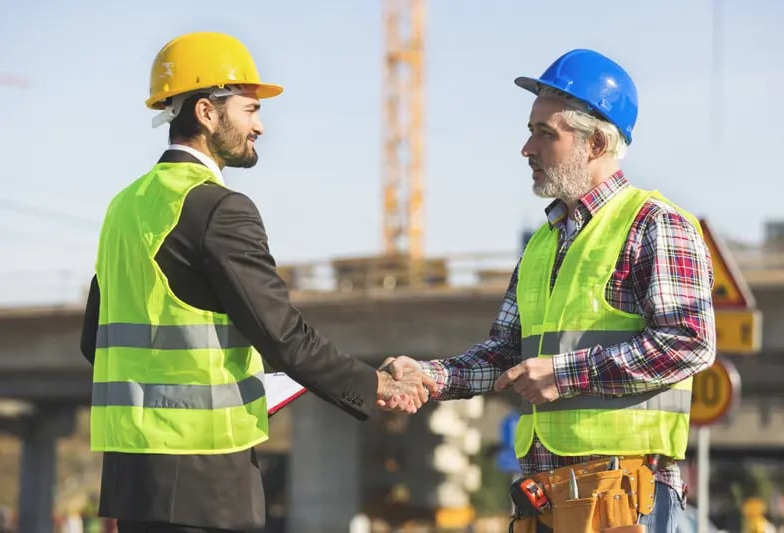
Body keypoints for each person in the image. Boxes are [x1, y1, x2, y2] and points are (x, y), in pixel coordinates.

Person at [80, 31, 433, 533]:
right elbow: (282, 334)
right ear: (206, 112)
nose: (260, 126)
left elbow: (96, 341)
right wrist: (374, 383)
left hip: (133, 475)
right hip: (208, 475)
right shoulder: (220, 209)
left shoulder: (125, 207)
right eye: (249, 110)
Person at [380, 49, 716, 532]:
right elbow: (505, 355)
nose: (527, 149)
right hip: (547, 500)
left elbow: (690, 343)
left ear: (595, 143)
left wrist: (566, 373)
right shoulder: (544, 242)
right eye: (530, 131)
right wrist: (428, 376)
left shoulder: (655, 226)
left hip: (623, 500)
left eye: (545, 134)